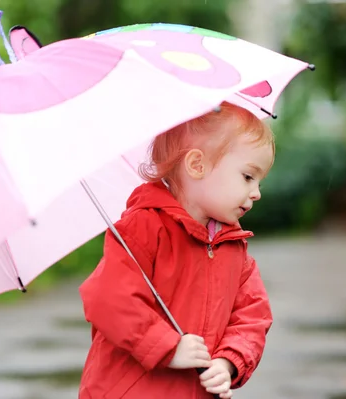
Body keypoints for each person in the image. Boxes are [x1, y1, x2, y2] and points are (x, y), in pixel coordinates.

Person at [78, 102, 274, 399]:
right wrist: (166, 345)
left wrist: (229, 361)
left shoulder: (235, 250)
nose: (257, 192)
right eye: (248, 176)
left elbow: (252, 316)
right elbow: (109, 298)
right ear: (197, 165)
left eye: (259, 181)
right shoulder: (144, 228)